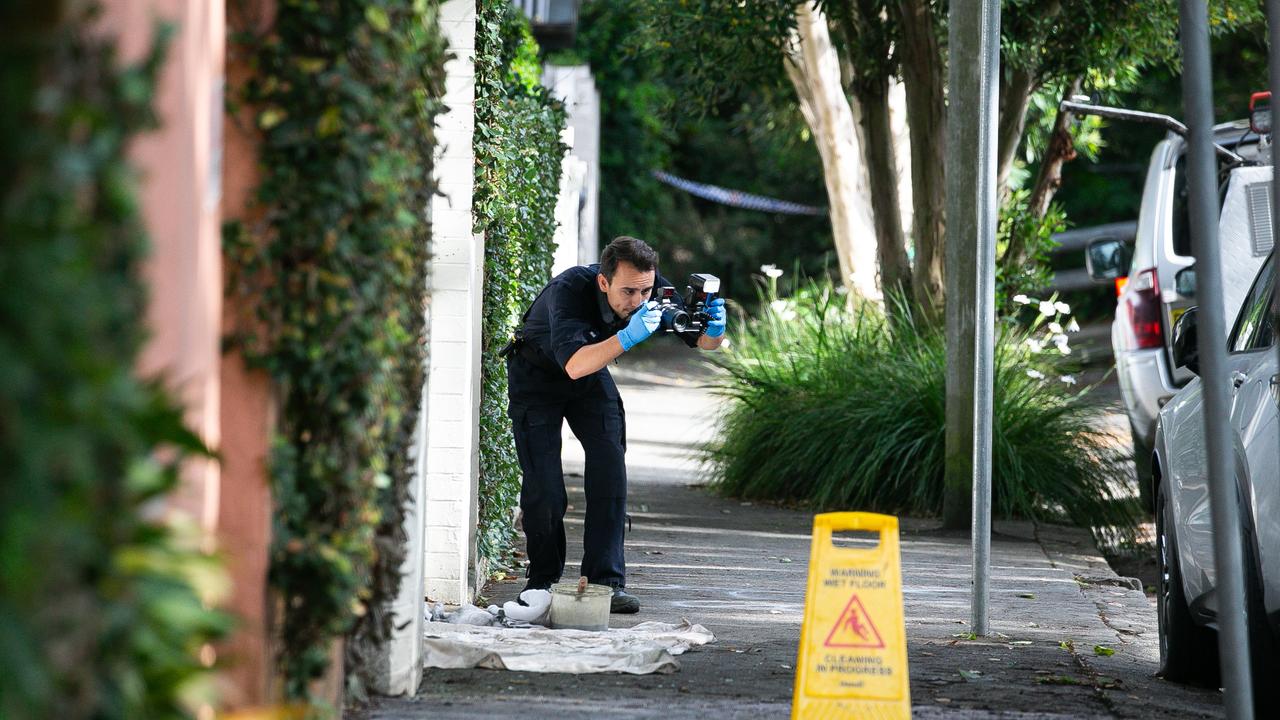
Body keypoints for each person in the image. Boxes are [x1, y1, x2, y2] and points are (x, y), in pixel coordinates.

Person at [501, 236, 727, 613]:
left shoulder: (649, 285)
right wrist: (627, 336)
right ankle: (541, 581)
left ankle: (606, 583)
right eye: (628, 292)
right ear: (604, 282)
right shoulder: (569, 290)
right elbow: (573, 364)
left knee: (609, 467)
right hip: (537, 377)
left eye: (645, 290)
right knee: (545, 486)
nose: (638, 301)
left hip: (591, 378)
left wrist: (714, 328)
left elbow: (703, 343)